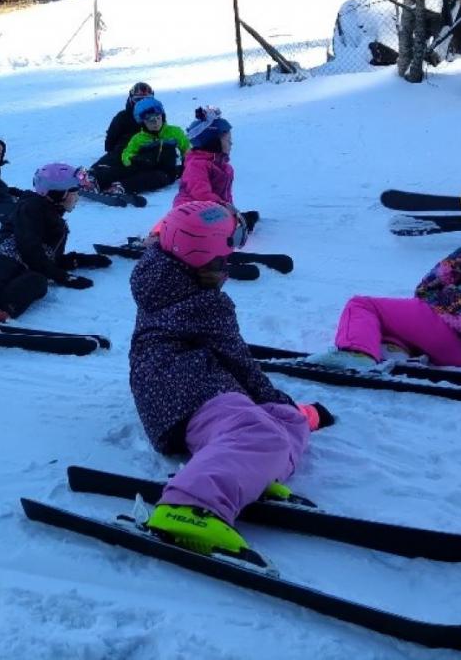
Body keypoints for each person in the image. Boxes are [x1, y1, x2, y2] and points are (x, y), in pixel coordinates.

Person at [129, 201, 332, 558]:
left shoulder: (165, 277)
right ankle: (190, 507)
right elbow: (241, 365)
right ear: (209, 255)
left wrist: (289, 409)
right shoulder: (208, 304)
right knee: (261, 431)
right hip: (181, 392)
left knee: (288, 423)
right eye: (230, 248)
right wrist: (276, 398)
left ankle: (246, 471)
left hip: (184, 382)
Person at [306, 185, 461, 370]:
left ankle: (355, 354)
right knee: (402, 322)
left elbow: (428, 286)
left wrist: (441, 303)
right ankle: (398, 352)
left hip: (452, 327)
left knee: (363, 305)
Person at [0, 163, 110, 327]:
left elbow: (48, 259)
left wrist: (80, 261)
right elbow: (28, 244)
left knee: (38, 282)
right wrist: (61, 277)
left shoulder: (58, 223)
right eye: (74, 192)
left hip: (29, 263)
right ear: (57, 193)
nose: (77, 197)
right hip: (6, 254)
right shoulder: (31, 206)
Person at [90, 97, 190, 196]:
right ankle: (97, 180)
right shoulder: (139, 138)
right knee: (125, 170)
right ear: (143, 122)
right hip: (144, 165)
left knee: (150, 179)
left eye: (158, 118)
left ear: (162, 117)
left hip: (166, 171)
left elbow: (187, 149)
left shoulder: (175, 133)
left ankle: (122, 187)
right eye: (150, 120)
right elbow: (127, 153)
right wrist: (132, 160)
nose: (155, 122)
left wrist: (186, 167)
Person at [174, 116, 234, 209]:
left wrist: (232, 211)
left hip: (213, 211)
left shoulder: (225, 168)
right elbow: (201, 194)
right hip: (190, 210)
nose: (231, 143)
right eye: (227, 140)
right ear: (213, 142)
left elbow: (226, 196)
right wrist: (225, 207)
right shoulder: (196, 165)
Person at [104, 82, 155, 155]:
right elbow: (110, 144)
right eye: (138, 100)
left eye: (147, 99)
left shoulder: (157, 115)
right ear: (131, 100)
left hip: (152, 154)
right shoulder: (122, 117)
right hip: (125, 155)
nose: (142, 104)